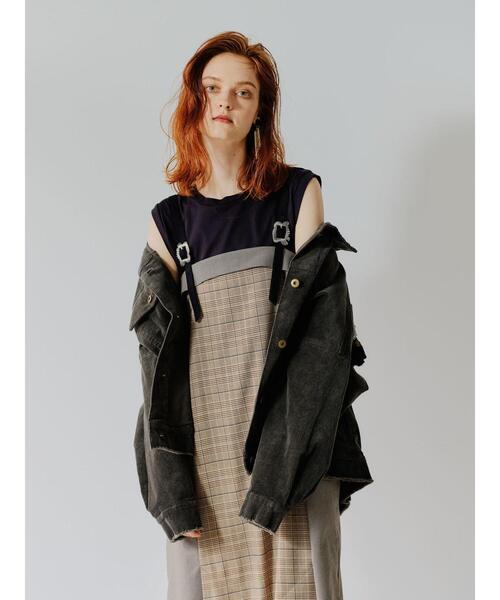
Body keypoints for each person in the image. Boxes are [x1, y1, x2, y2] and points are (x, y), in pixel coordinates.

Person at [146, 31, 344, 600]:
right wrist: (172, 491)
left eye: (243, 92)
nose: (225, 102)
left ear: (261, 109)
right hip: (205, 452)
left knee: (307, 586)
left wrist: (282, 469)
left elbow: (324, 342)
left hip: (293, 443)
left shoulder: (299, 195)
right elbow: (155, 374)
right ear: (195, 99)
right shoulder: (168, 223)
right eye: (213, 89)